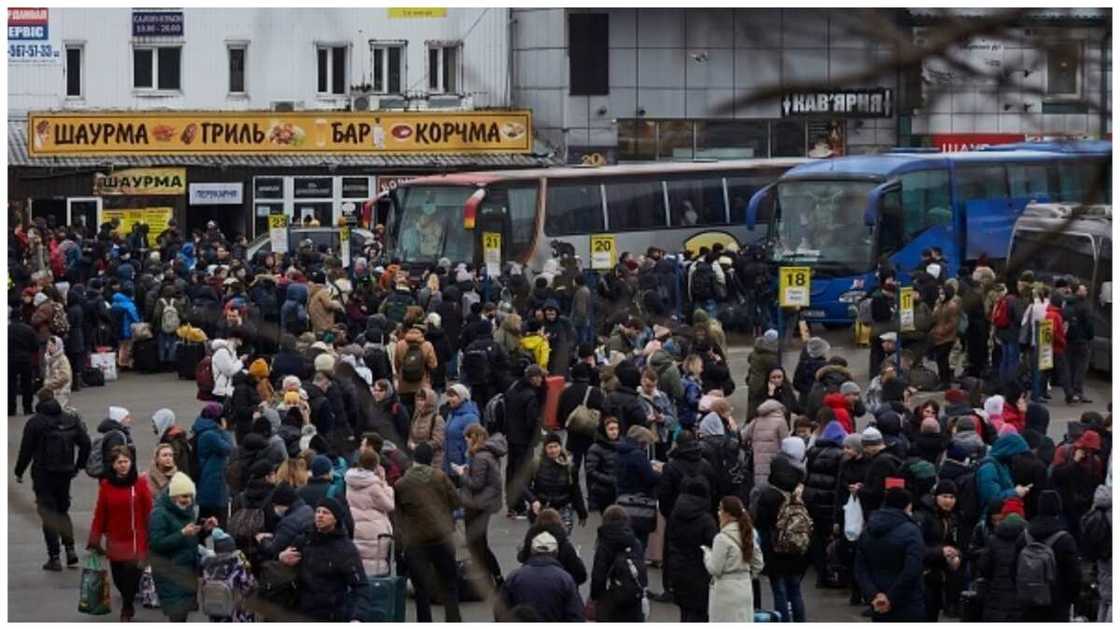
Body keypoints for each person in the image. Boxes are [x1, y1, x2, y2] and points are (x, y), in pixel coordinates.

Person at [15, 388, 91, 571]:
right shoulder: (70, 419)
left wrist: (19, 471)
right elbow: (86, 443)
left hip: (43, 474)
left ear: (39, 401)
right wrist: (78, 465)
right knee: (63, 510)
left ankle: (54, 557)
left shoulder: (35, 423)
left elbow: (26, 450)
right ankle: (71, 550)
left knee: (48, 514)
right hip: (65, 472)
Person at [394, 442, 462, 622]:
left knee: (421, 591)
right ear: (431, 459)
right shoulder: (440, 477)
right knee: (449, 585)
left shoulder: (401, 484)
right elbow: (456, 502)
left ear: (413, 459)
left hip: (416, 543)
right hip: (442, 538)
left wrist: (400, 547)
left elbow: (398, 518)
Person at [278, 497, 372, 622]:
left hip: (331, 614)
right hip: (300, 612)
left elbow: (361, 585)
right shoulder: (304, 540)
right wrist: (281, 557)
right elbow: (281, 565)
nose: (320, 516)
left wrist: (358, 617)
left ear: (335, 519)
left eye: (326, 513)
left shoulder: (345, 548)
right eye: (318, 511)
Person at [149, 472, 218, 622]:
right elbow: (156, 544)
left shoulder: (186, 510)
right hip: (169, 573)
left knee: (182, 616)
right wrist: (182, 533)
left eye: (190, 496)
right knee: (177, 615)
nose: (188, 500)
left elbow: (189, 535)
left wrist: (204, 528)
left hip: (187, 571)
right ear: (174, 496)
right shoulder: (159, 514)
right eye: (184, 496)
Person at [854, 488, 926, 622]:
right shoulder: (912, 531)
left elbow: (860, 568)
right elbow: (912, 569)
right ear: (908, 506)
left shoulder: (868, 529)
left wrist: (874, 595)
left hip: (878, 603)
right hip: (907, 602)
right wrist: (890, 598)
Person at [454, 425, 507, 590]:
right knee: (479, 543)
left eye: (467, 439)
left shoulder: (480, 457)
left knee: (476, 544)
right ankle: (494, 578)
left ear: (474, 438)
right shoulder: (489, 454)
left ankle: (493, 578)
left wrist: (462, 474)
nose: (466, 443)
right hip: (485, 503)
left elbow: (476, 484)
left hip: (478, 505)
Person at [1019, 490, 1081, 621]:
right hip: (1057, 605)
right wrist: (1071, 599)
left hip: (1028, 602)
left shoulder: (1024, 537)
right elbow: (1074, 575)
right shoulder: (1065, 539)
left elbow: (1013, 569)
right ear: (1058, 509)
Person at [497, 531, 585, 622]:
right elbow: (576, 614)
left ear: (532, 551)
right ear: (556, 552)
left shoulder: (515, 577)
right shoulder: (565, 579)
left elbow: (500, 611)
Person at [704, 495, 765, 622]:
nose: (718, 513)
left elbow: (715, 569)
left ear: (728, 514)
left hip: (725, 591)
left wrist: (707, 555)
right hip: (745, 588)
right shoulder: (750, 533)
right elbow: (758, 563)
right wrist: (746, 574)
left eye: (720, 509)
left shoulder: (721, 538)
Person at [666, 478, 719, 621]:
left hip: (678, 568)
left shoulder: (675, 514)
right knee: (699, 613)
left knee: (684, 612)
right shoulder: (706, 519)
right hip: (700, 572)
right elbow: (715, 544)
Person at [913, 480, 964, 621]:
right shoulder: (923, 516)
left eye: (952, 497)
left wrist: (956, 556)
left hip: (940, 577)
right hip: (922, 576)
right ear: (936, 496)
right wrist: (940, 552)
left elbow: (955, 544)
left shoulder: (952, 518)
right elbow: (915, 548)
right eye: (945, 496)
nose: (948, 501)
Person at [344, 448, 395, 577]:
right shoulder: (374, 485)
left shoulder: (350, 481)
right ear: (376, 465)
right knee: (375, 564)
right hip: (374, 529)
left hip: (357, 526)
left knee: (361, 560)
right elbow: (389, 505)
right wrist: (385, 483)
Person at [504, 364, 546, 517]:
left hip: (511, 435)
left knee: (511, 469)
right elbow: (531, 421)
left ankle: (512, 504)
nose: (542, 380)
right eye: (540, 377)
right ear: (533, 378)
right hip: (524, 439)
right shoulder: (530, 395)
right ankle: (523, 502)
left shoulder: (513, 389)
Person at [975, 502, 1028, 621]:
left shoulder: (993, 540)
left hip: (996, 599)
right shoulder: (1030, 540)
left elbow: (983, 568)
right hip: (1021, 601)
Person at [526, 432, 588, 534]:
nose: (554, 450)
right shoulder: (536, 464)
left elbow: (575, 490)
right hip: (541, 509)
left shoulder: (569, 466)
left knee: (562, 541)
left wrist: (582, 513)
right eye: (550, 447)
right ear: (545, 449)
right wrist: (533, 500)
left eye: (556, 446)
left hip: (563, 510)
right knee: (541, 543)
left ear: (560, 447)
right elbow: (523, 485)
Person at [615, 425, 662, 552]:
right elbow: (650, 478)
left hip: (623, 498)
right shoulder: (637, 455)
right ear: (641, 442)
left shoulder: (620, 451)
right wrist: (661, 472)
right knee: (639, 543)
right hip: (639, 503)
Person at [192, 402, 235, 527]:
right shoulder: (210, 435)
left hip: (210, 481)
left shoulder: (205, 431)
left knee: (206, 519)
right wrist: (225, 431)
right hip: (214, 483)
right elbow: (229, 448)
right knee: (217, 522)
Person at [976, 433, 1031, 513]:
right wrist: (1015, 492)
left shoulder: (1002, 465)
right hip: (990, 518)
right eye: (1017, 454)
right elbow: (992, 499)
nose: (1019, 458)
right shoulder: (989, 468)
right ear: (1009, 451)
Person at [745, 399, 790, 488]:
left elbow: (744, 436)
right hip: (774, 460)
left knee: (759, 485)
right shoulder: (781, 421)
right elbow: (786, 443)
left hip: (757, 459)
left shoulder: (756, 420)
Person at [585, 416, 622, 514]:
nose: (614, 432)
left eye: (617, 429)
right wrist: (609, 479)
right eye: (611, 429)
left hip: (620, 490)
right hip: (604, 492)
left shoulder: (622, 445)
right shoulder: (596, 448)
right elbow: (591, 470)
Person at [440, 383, 478, 476]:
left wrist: (467, 466)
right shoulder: (452, 414)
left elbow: (475, 444)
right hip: (449, 465)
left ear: (462, 397)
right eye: (449, 396)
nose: (449, 399)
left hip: (461, 466)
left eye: (453, 396)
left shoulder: (470, 417)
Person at [408, 387, 446, 472]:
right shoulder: (416, 416)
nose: (419, 403)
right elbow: (411, 434)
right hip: (417, 460)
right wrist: (410, 443)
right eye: (418, 400)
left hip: (433, 462)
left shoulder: (437, 419)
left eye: (422, 400)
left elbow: (438, 441)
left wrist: (419, 447)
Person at [42, 335, 73, 409]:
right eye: (48, 345)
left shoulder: (62, 359)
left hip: (61, 390)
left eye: (52, 345)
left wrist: (50, 384)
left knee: (59, 410)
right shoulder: (48, 358)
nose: (50, 347)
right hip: (50, 391)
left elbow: (65, 376)